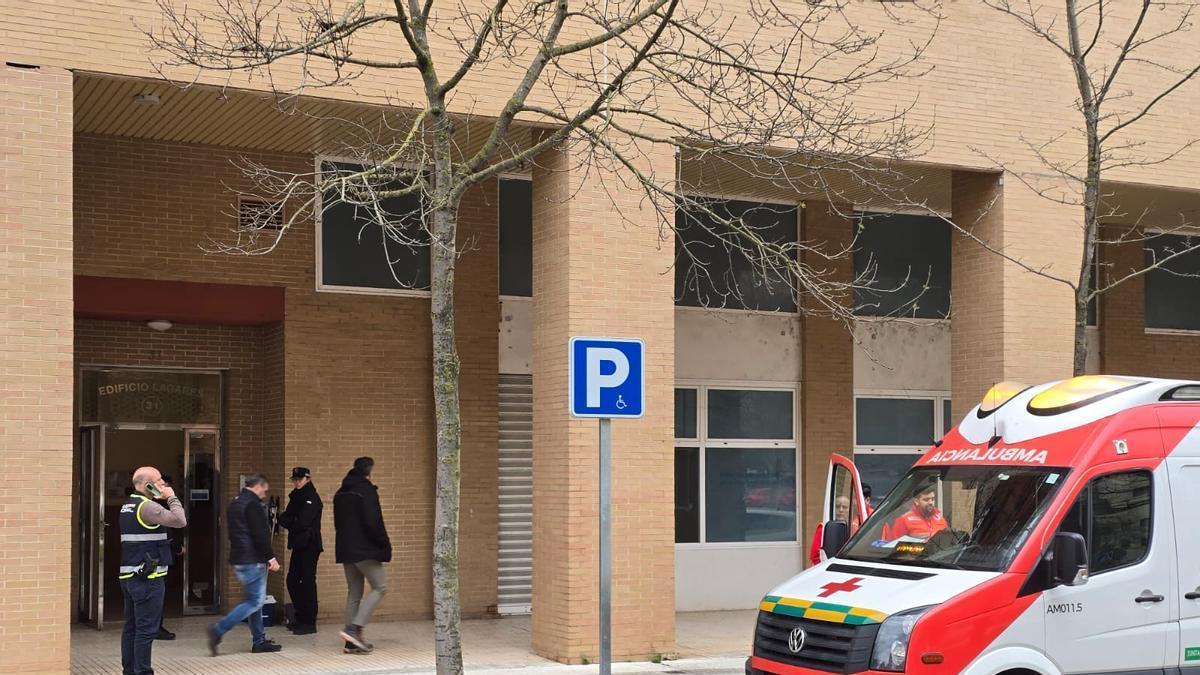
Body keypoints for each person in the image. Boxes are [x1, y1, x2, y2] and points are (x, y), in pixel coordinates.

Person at [119, 466, 187, 675]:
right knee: (146, 631)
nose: (163, 485)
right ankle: (142, 671)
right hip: (148, 578)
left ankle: (130, 671)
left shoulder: (128, 505)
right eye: (158, 481)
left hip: (130, 576)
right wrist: (172, 498)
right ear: (146, 484)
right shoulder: (146, 507)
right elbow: (179, 520)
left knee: (131, 628)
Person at [208, 474, 283, 656]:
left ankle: (259, 640)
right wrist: (270, 558)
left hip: (239, 558)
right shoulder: (253, 505)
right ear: (257, 487)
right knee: (254, 601)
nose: (264, 495)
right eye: (264, 490)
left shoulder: (235, 503)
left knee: (253, 600)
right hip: (253, 559)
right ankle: (219, 629)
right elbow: (260, 535)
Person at [334, 457, 391, 654]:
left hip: (346, 549)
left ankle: (351, 642)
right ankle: (354, 628)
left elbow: (338, 524)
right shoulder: (366, 490)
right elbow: (373, 522)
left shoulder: (340, 493)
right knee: (380, 587)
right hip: (365, 549)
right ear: (369, 471)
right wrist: (383, 544)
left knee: (354, 593)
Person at [278, 466, 323, 635]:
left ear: (307, 479)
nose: (296, 482)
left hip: (310, 545)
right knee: (293, 581)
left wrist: (291, 520)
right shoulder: (296, 497)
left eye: (299, 479)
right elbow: (284, 518)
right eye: (295, 480)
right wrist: (292, 520)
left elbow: (302, 522)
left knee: (308, 582)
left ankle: (309, 621)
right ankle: (300, 617)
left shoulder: (312, 497)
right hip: (298, 543)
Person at [155, 474, 186, 641]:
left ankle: (154, 626)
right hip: (159, 554)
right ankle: (156, 627)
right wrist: (176, 546)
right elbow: (174, 525)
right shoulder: (158, 505)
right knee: (158, 592)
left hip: (154, 555)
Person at [808, 495, 852, 566]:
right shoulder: (824, 527)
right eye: (837, 506)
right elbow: (815, 556)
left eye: (844, 507)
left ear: (850, 510)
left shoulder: (854, 527)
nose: (841, 510)